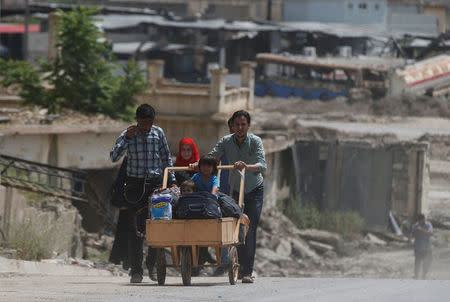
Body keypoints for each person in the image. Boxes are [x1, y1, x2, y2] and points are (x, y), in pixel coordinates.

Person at [193, 110, 266, 283]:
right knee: (236, 228)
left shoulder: (255, 141)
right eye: (237, 124)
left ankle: (247, 271)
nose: (240, 128)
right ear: (232, 126)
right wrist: (198, 164)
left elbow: (262, 165)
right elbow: (213, 157)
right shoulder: (226, 141)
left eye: (243, 124)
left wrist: (246, 166)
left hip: (254, 189)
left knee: (250, 229)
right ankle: (239, 269)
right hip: (235, 189)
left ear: (248, 126)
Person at [110, 104, 177, 284]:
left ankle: (152, 265)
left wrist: (171, 180)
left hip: (155, 186)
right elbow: (114, 157)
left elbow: (166, 157)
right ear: (137, 120)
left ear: (153, 121)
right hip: (134, 187)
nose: (146, 127)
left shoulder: (158, 133)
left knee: (157, 226)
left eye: (149, 123)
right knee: (136, 230)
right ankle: (136, 271)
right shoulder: (128, 135)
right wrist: (126, 140)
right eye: (142, 123)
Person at [411, 213, 433, 279]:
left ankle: (424, 275)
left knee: (427, 262)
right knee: (417, 262)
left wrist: (422, 229)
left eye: (423, 220)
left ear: (424, 219)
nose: (421, 221)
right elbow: (412, 235)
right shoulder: (415, 225)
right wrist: (417, 230)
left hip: (427, 247)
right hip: (418, 247)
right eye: (420, 220)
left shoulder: (428, 225)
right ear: (418, 220)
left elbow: (429, 233)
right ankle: (416, 275)